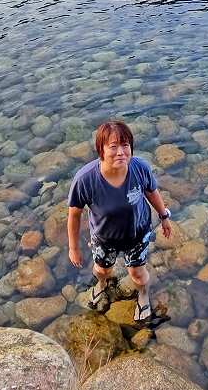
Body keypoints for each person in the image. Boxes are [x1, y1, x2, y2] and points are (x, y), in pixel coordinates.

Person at [67, 120, 173, 323]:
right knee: (101, 269)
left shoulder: (139, 168)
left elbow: (152, 192)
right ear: (101, 150)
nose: (121, 152)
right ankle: (102, 284)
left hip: (137, 233)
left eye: (125, 146)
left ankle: (143, 295)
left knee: (137, 273)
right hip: (104, 237)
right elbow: (74, 214)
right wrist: (73, 248)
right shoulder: (86, 180)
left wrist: (164, 216)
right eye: (113, 147)